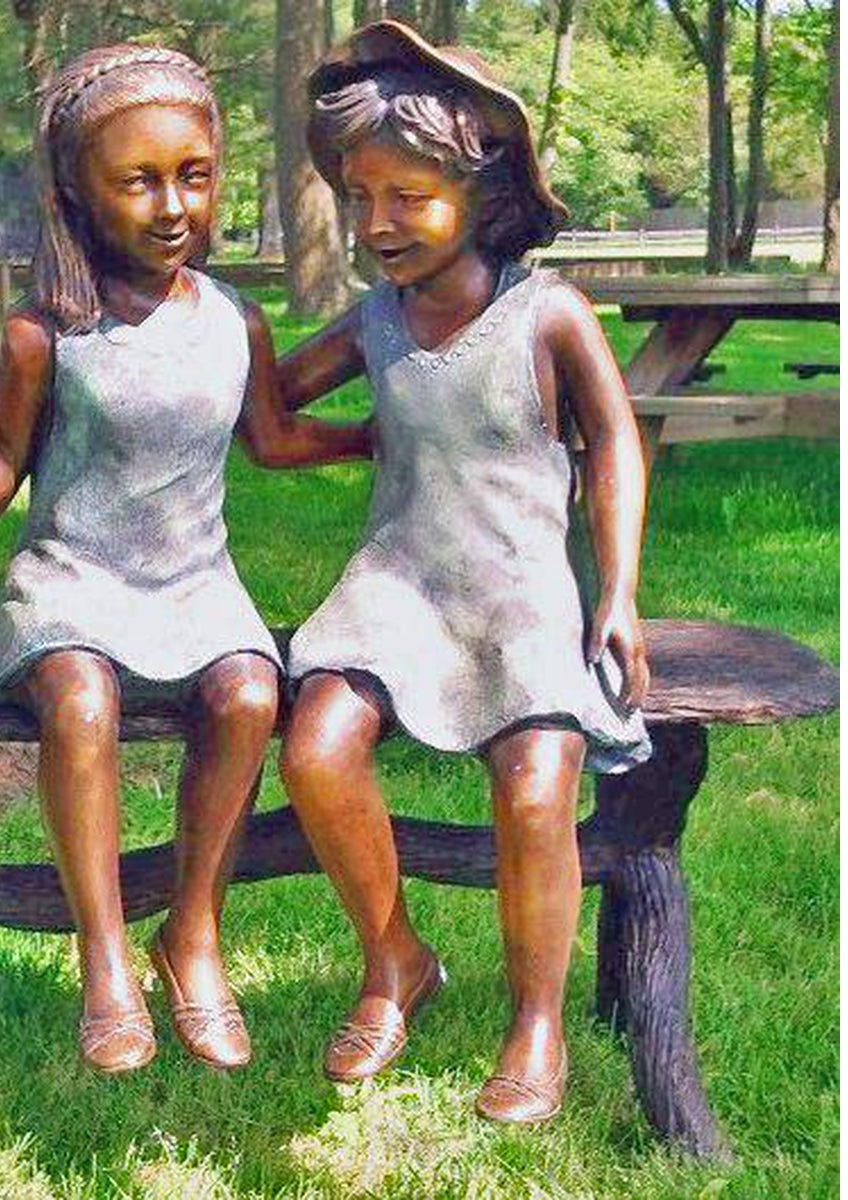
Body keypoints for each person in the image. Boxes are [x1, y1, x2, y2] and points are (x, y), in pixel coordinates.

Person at [0, 44, 370, 1075]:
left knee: (247, 695)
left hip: (196, 584)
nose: (173, 204)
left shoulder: (236, 321)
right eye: (137, 180)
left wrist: (380, 434)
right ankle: (104, 952)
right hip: (75, 582)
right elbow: (0, 454)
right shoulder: (48, 331)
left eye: (194, 173)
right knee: (80, 701)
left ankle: (193, 931)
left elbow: (270, 439)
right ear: (78, 195)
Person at [269, 21, 653, 1121]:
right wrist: (222, 338)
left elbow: (613, 442)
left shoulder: (548, 313)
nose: (377, 224)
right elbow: (275, 406)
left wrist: (617, 589)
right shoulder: (377, 322)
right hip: (395, 583)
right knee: (316, 748)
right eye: (359, 197)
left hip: (522, 586)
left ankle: (537, 1019)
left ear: (477, 190)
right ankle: (396, 958)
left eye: (407, 197)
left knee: (537, 785)